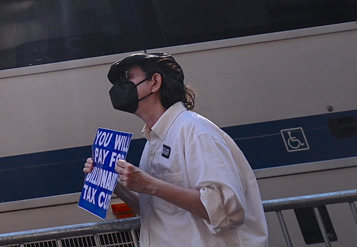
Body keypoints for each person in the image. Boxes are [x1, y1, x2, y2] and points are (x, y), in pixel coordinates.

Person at [84, 53, 267, 247]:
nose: (120, 87)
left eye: (128, 77)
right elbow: (155, 209)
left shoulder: (194, 131)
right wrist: (114, 185)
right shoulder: (153, 141)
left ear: (154, 82)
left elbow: (225, 209)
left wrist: (150, 184)